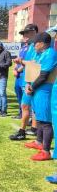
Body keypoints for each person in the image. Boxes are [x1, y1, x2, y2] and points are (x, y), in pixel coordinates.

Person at [24, 32, 56, 161]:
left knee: (45, 121)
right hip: (36, 90)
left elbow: (44, 76)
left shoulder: (51, 54)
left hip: (45, 90)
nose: (34, 46)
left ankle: (46, 150)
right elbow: (32, 69)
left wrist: (32, 87)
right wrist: (28, 84)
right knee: (38, 116)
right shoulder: (39, 54)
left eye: (35, 43)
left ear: (42, 43)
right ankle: (39, 142)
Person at [9, 24, 39, 141]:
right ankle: (23, 131)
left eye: (27, 33)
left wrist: (21, 63)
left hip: (32, 81)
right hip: (26, 80)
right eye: (23, 34)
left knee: (33, 107)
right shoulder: (29, 46)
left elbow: (34, 63)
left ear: (34, 32)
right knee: (25, 105)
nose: (24, 36)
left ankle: (35, 129)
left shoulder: (36, 47)